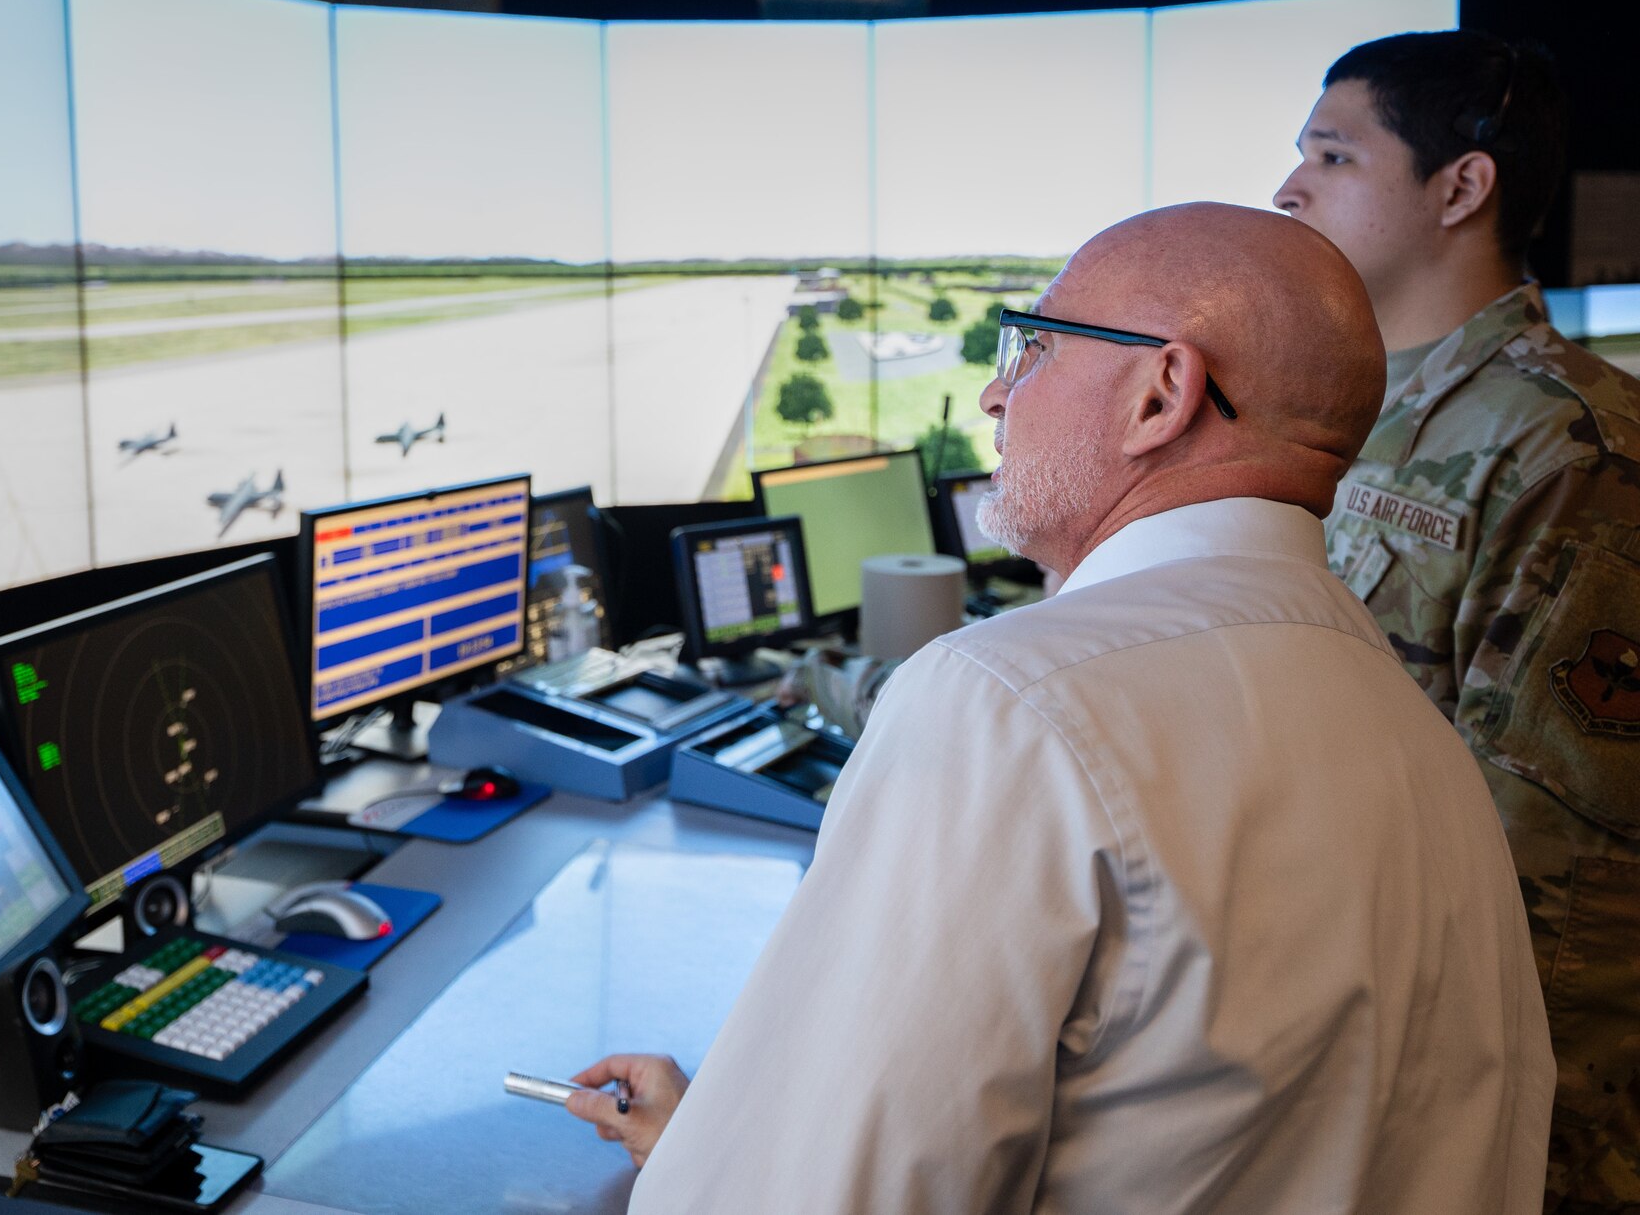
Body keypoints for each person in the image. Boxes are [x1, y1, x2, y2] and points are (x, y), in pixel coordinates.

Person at [563, 202, 1552, 1213]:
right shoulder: (1421, 740)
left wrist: (734, 1166)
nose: (995, 391)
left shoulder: (1006, 703)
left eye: (1030, 347)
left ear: (1160, 393)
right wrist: (740, 1135)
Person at [1274, 31, 1638, 1213]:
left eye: (1331, 155)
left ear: (1460, 187)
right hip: (1332, 1008)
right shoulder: (1352, 410)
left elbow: (1558, 874)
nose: (1288, 188)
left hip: (1494, 1103)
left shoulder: (1571, 444)